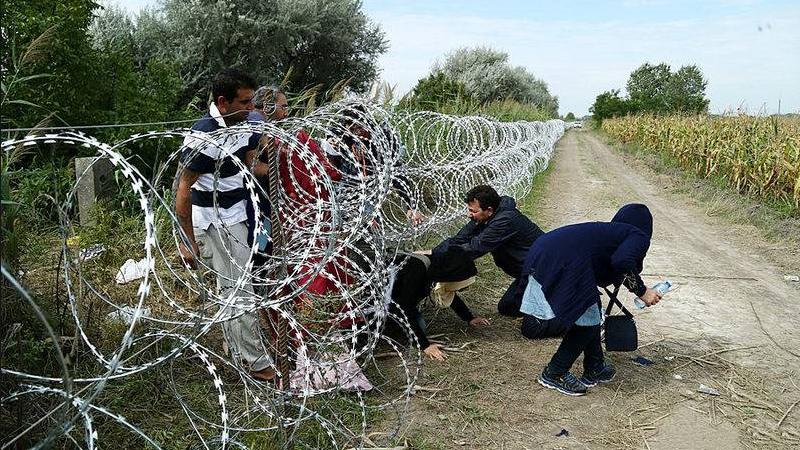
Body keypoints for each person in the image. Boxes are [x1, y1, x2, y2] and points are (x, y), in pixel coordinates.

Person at [175, 69, 276, 382]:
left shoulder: (242, 124)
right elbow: (183, 188)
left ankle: (237, 349)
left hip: (240, 213)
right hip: (216, 221)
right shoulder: (203, 135)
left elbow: (249, 163)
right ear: (222, 101)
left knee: (235, 287)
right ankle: (256, 363)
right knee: (239, 289)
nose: (251, 108)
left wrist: (278, 154)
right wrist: (187, 241)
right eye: (245, 102)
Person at [519, 204, 662, 396]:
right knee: (587, 321)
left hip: (544, 252)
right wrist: (642, 291)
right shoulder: (638, 235)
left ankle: (595, 367)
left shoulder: (612, 233)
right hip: (560, 261)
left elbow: (608, 267)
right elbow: (622, 261)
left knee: (591, 309)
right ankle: (555, 372)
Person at [433, 185, 566, 336]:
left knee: (532, 329)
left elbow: (474, 248)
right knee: (507, 307)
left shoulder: (505, 221)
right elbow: (460, 238)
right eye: (469, 210)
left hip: (545, 273)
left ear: (489, 210)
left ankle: (579, 319)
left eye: (473, 211)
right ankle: (554, 301)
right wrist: (433, 253)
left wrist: (437, 259)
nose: (469, 215)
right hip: (527, 274)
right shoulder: (486, 217)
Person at [390, 247, 483, 361]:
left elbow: (448, 294)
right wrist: (425, 345)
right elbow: (403, 307)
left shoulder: (438, 268)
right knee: (419, 327)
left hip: (401, 300)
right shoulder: (417, 268)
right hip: (389, 302)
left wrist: (469, 318)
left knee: (419, 326)